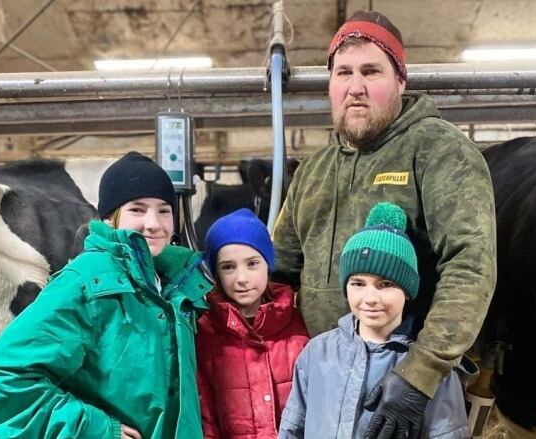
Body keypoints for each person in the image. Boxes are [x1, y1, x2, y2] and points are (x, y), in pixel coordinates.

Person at [271, 10, 497, 438]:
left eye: (371, 71)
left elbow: (470, 265)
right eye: (344, 73)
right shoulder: (313, 171)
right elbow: (279, 274)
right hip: (326, 379)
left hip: (405, 385)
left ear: (401, 81)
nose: (355, 87)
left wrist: (421, 374)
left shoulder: (439, 151)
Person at [0, 151, 212, 439]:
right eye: (137, 209)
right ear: (111, 219)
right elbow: (2, 375)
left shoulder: (175, 286)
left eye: (164, 210)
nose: (154, 223)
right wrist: (96, 431)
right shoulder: (88, 281)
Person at [279, 203, 470, 439]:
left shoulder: (429, 370)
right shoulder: (317, 353)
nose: (370, 298)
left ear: (408, 290)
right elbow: (292, 427)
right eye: (358, 283)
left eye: (386, 284)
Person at [196, 208, 310, 438]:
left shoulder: (296, 323)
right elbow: (206, 416)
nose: (242, 278)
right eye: (228, 267)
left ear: (268, 264)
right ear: (215, 273)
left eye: (252, 264)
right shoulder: (205, 332)